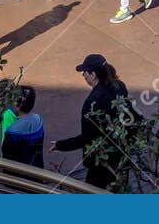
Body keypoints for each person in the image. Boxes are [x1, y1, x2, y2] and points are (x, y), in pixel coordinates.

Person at [52, 53, 133, 189]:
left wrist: (61, 145)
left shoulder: (92, 103)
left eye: (85, 72)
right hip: (120, 152)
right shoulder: (119, 86)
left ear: (93, 75)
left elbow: (87, 138)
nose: (83, 75)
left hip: (100, 160)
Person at [0, 84, 46, 168]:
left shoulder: (12, 132)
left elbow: (7, 159)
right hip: (37, 170)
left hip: (18, 176)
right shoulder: (38, 120)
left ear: (16, 105)